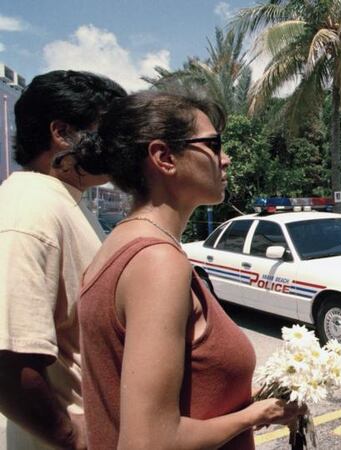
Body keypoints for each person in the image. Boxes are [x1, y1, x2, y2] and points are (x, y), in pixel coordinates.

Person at [75, 91, 304, 449]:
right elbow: (150, 441)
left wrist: (258, 396)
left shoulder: (119, 247)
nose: (225, 159)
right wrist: (255, 416)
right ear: (164, 157)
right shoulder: (157, 262)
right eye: (213, 145)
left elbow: (179, 397)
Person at [0, 70, 126, 449]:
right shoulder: (29, 211)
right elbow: (9, 359)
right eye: (109, 133)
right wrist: (70, 436)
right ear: (62, 133)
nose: (121, 147)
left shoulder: (64, 201)